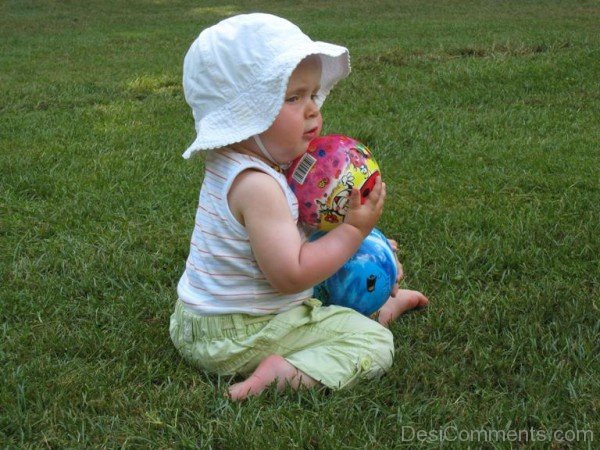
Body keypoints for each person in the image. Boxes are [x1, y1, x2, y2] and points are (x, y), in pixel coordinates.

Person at [169, 13, 428, 401]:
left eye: (312, 95)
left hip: (196, 321)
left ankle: (376, 297)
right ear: (246, 115)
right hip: (240, 333)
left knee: (344, 267)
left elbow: (292, 239)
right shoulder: (259, 186)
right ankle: (282, 370)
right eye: (293, 98)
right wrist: (354, 232)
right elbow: (292, 274)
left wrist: (359, 242)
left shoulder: (237, 162)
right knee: (373, 345)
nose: (313, 110)